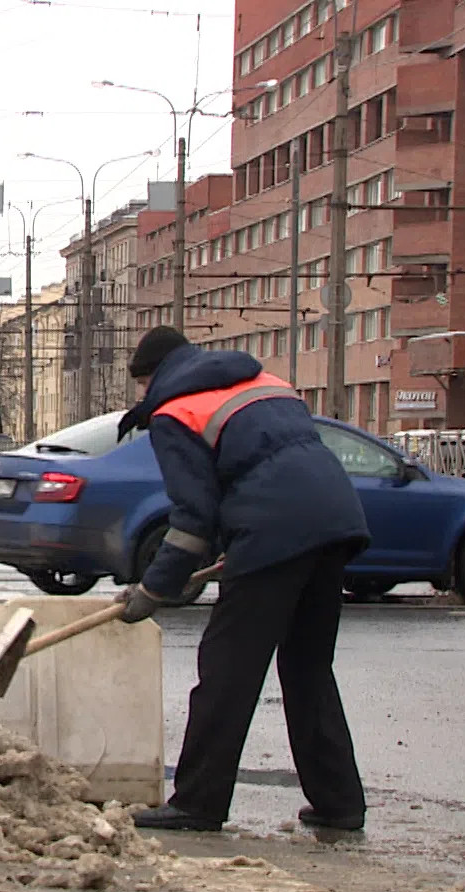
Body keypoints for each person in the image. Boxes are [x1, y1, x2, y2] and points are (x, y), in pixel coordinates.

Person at [115, 326, 371, 833]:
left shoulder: (174, 410)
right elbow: (262, 470)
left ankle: (198, 802)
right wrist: (233, 548)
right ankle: (340, 803)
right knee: (308, 670)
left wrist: (153, 589)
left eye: (139, 386)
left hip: (275, 530)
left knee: (227, 671)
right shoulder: (266, 382)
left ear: (148, 379)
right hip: (334, 521)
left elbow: (192, 517)